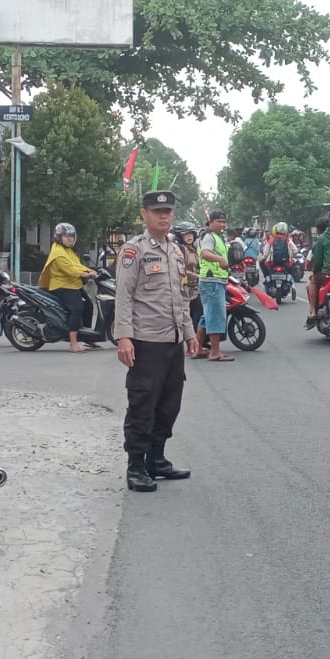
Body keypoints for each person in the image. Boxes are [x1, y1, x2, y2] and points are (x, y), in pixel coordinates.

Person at [115, 191, 201, 493]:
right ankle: (136, 465)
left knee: (169, 404)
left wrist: (189, 333)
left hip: (173, 339)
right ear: (144, 215)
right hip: (145, 341)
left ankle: (157, 458)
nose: (164, 216)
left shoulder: (176, 250)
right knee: (143, 403)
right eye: (157, 211)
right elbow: (123, 295)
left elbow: (182, 296)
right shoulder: (133, 250)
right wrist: (123, 336)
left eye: (168, 211)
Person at [39, 222, 98, 352]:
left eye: (71, 236)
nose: (69, 238)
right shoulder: (58, 253)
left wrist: (90, 270)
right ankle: (73, 343)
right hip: (62, 285)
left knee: (89, 305)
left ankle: (87, 337)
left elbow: (77, 265)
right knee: (77, 309)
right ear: (59, 237)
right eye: (66, 236)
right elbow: (70, 270)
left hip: (72, 284)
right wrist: (85, 274)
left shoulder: (68, 251)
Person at [198, 211, 236, 362]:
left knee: (207, 316)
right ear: (210, 222)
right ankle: (214, 352)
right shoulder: (209, 237)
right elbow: (205, 254)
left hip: (216, 279)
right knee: (216, 316)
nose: (222, 225)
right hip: (211, 280)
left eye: (223, 222)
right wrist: (220, 259)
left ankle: (198, 348)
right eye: (219, 221)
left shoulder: (218, 238)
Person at [175, 223, 203, 353]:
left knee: (198, 314)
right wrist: (198, 275)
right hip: (185, 288)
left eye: (191, 234)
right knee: (188, 317)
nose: (189, 236)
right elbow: (182, 270)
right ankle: (191, 347)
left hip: (196, 288)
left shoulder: (194, 249)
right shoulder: (180, 250)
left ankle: (197, 345)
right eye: (186, 234)